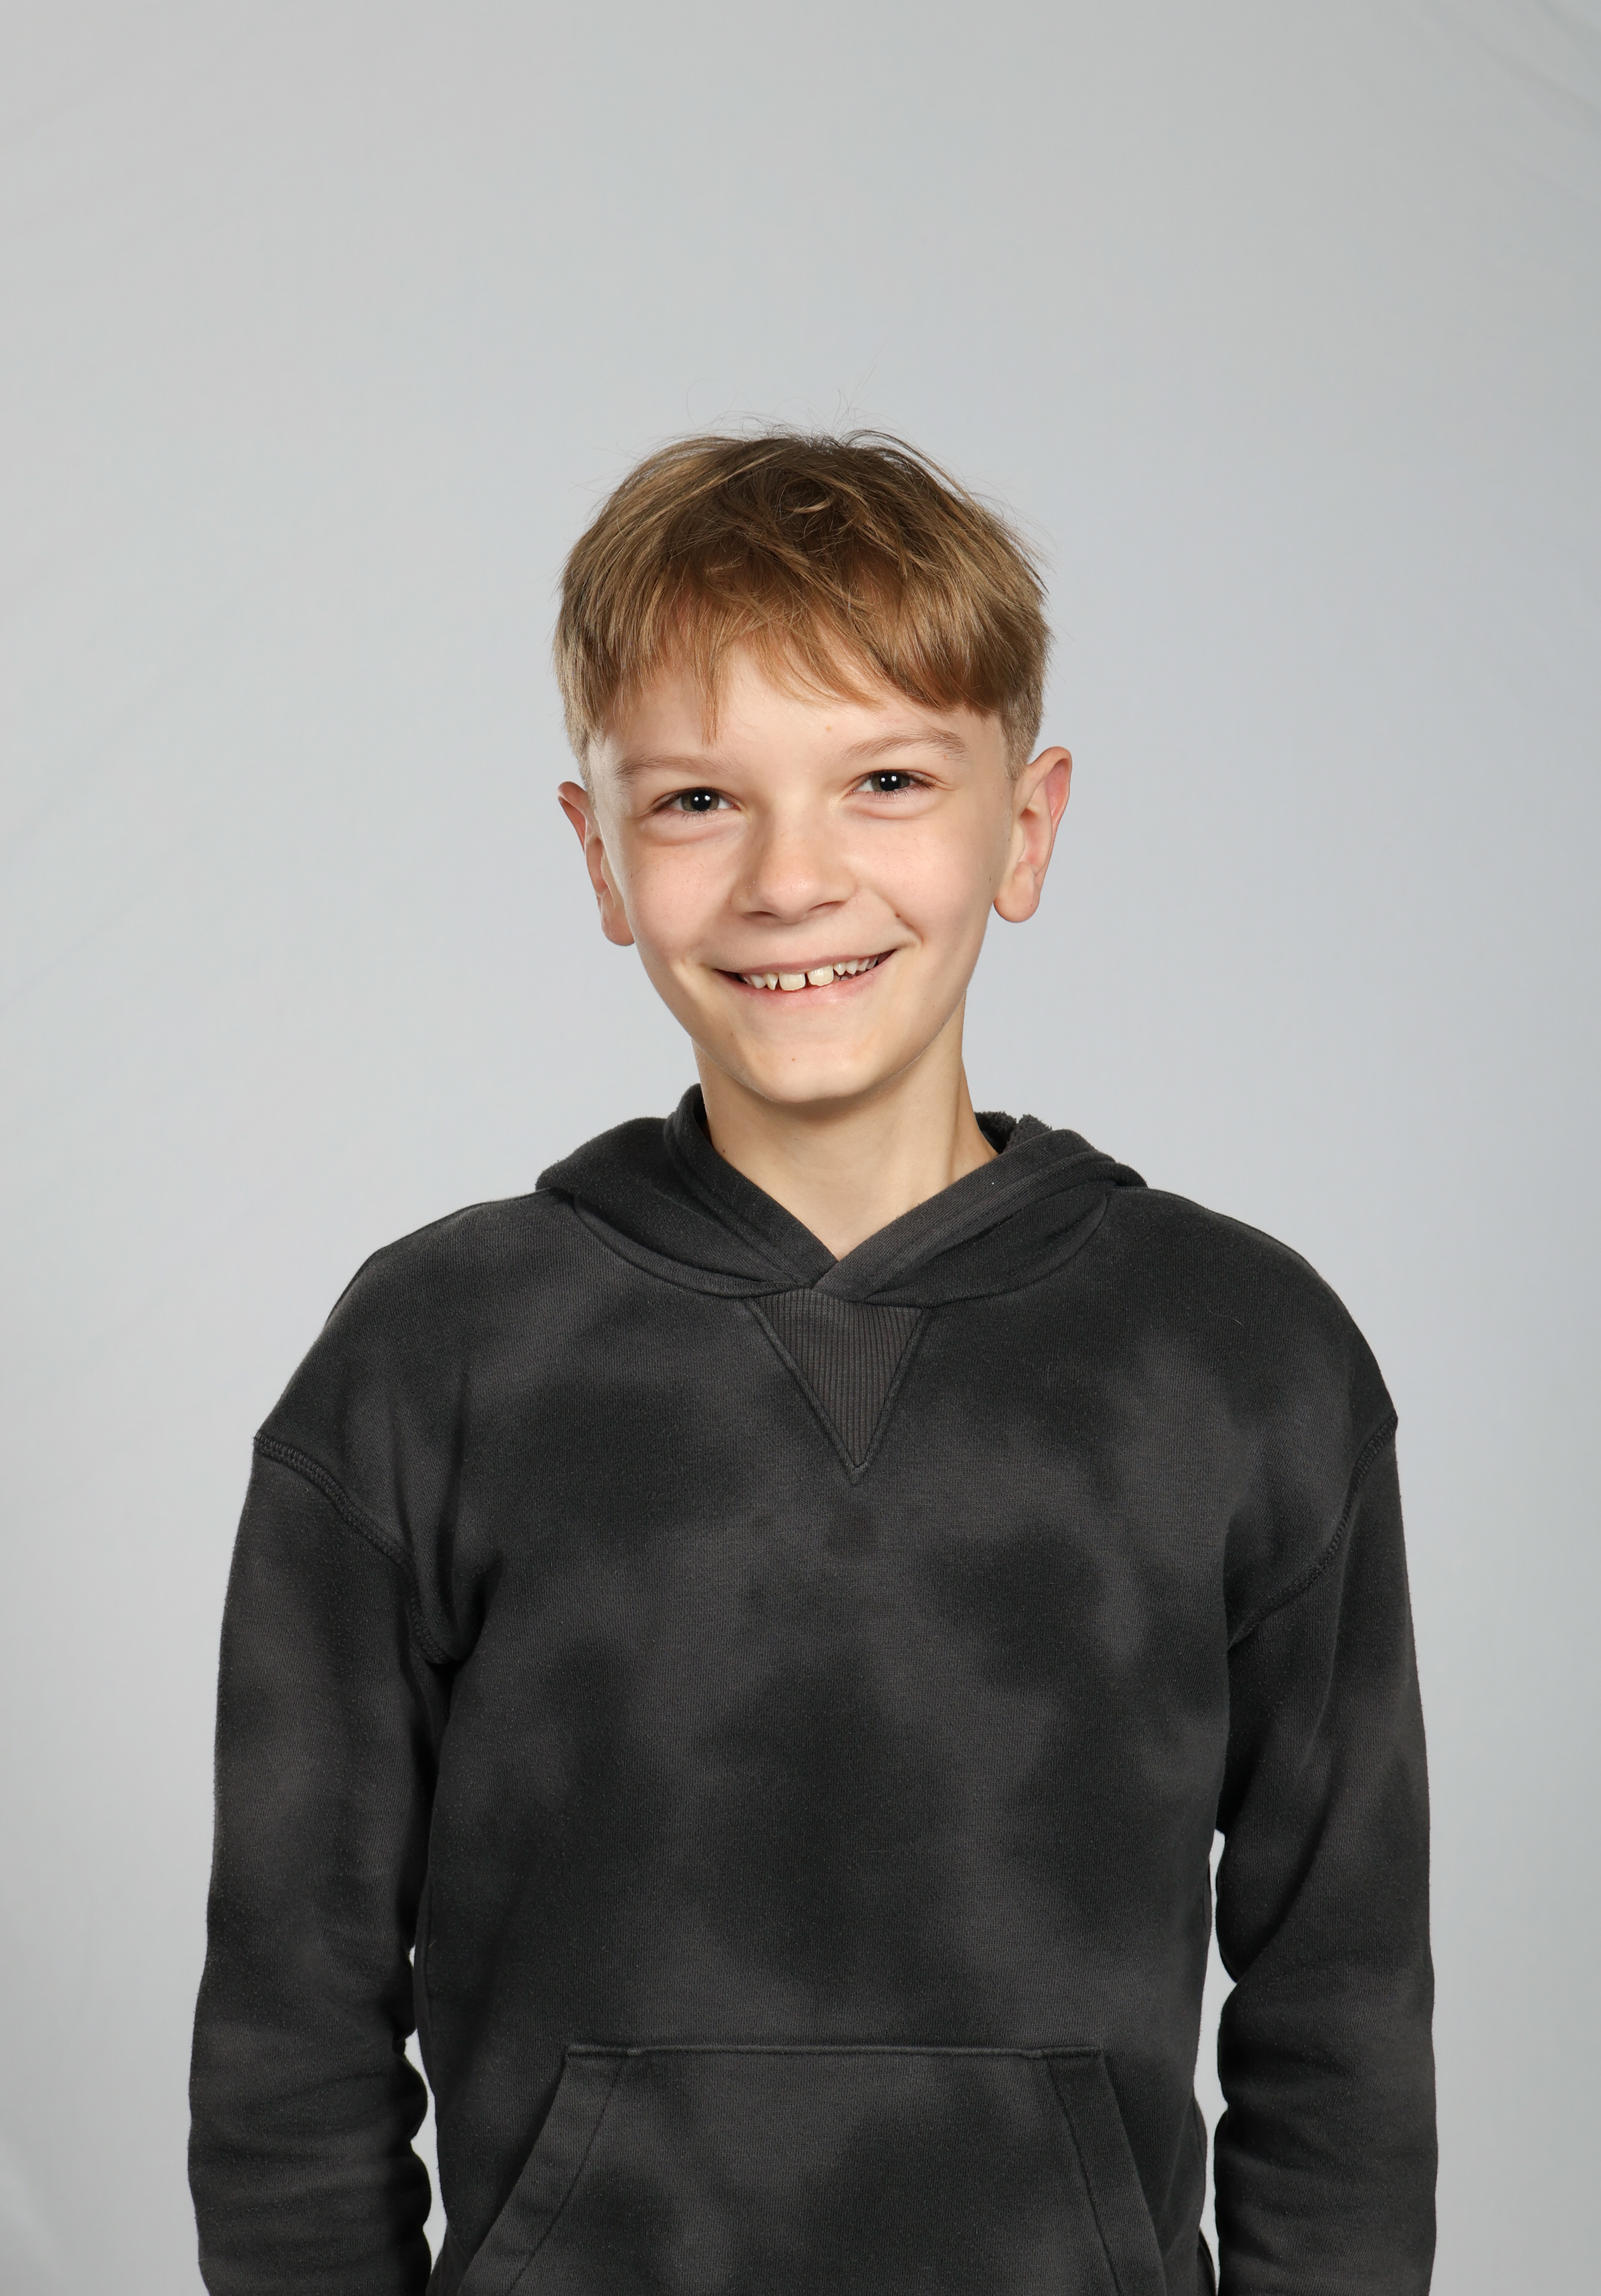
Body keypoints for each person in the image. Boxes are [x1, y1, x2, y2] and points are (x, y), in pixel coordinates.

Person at [189, 431, 1436, 2296]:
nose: (793, 876)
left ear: (1027, 825)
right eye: (699, 799)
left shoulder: (1244, 1358)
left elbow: (1342, 2020)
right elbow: (292, 2025)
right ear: (600, 854)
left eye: (887, 781)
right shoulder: (430, 1357)